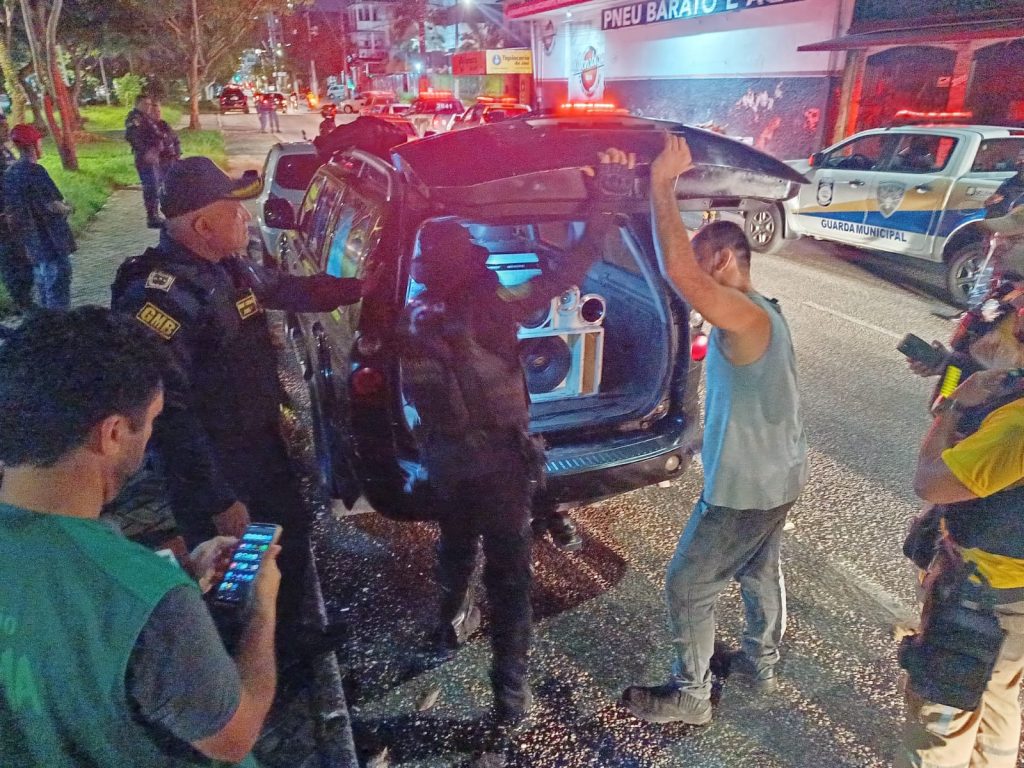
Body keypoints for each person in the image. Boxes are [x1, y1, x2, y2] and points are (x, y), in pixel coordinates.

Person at [0, 306, 280, 767]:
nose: (150, 437)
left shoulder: (136, 584)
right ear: (111, 433)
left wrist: (181, 570)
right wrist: (261, 609)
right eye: (150, 421)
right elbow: (233, 736)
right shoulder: (152, 601)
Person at [399, 159, 622, 722]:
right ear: (469, 266)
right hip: (498, 464)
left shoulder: (413, 316)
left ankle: (449, 630)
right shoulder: (490, 305)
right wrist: (602, 211)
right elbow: (562, 275)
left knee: (453, 549)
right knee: (510, 581)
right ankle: (509, 700)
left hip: (446, 461)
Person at [110, 156, 365, 637]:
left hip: (259, 448)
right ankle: (242, 660)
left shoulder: (226, 267)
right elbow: (170, 416)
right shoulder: (159, 298)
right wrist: (219, 497)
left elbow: (287, 288)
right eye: (235, 211)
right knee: (232, 568)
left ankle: (293, 637)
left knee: (279, 544)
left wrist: (361, 285)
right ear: (203, 224)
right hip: (218, 466)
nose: (247, 218)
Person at [619, 134, 808, 726]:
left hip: (744, 491)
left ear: (724, 260)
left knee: (688, 585)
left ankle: (692, 696)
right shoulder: (766, 312)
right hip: (778, 479)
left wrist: (661, 184)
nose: (690, 287)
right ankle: (760, 663)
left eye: (701, 264)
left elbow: (681, 275)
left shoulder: (746, 313)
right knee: (757, 569)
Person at [895, 363, 1024, 767]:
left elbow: (930, 481)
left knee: (940, 721)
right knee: (997, 694)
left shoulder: (1017, 426)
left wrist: (952, 408)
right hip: (1013, 597)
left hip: (985, 593)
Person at [2, 124, 76, 311]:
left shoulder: (10, 174)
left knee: (43, 288)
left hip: (31, 244)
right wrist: (68, 208)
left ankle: (44, 328)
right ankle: (58, 330)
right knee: (57, 289)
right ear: (34, 144)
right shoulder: (36, 171)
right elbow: (53, 204)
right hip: (51, 240)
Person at [0, 113, 33, 313]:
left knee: (23, 258)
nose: (5, 130)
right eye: (1, 127)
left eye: (5, 125)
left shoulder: (6, 152)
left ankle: (26, 297)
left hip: (18, 214)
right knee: (10, 260)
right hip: (3, 219)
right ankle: (21, 301)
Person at [124, 94, 164, 228]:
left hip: (153, 156)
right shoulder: (135, 118)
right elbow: (131, 136)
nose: (148, 107)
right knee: (150, 186)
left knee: (155, 185)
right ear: (138, 104)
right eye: (145, 104)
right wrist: (146, 151)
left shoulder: (146, 118)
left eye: (149, 104)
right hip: (144, 158)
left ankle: (155, 215)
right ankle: (152, 217)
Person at [985, 147, 1024, 219]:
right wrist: (990, 201)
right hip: (1002, 223)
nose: (1022, 162)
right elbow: (992, 204)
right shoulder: (1011, 182)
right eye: (1019, 159)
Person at [150, 100, 181, 179]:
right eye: (155, 112)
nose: (158, 113)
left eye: (159, 111)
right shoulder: (148, 127)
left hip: (171, 159)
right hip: (159, 162)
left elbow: (175, 140)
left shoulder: (165, 125)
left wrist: (177, 154)